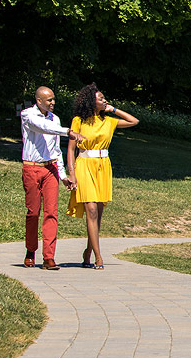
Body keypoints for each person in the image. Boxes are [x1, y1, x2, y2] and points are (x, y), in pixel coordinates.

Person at [66, 83, 139, 269]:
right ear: (91, 101)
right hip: (84, 165)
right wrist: (71, 174)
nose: (104, 100)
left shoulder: (108, 121)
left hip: (103, 167)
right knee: (90, 210)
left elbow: (133, 121)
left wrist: (113, 109)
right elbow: (71, 149)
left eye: (104, 98)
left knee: (98, 215)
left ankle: (89, 251)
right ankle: (99, 257)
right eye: (100, 98)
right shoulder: (78, 121)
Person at [20, 87, 84, 270]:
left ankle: (49, 257)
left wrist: (63, 175)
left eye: (53, 99)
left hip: (50, 169)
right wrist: (68, 132)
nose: (52, 103)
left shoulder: (55, 119)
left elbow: (56, 150)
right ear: (38, 100)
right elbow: (42, 127)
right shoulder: (28, 115)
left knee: (51, 212)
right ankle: (30, 251)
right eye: (48, 100)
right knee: (33, 212)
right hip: (31, 167)